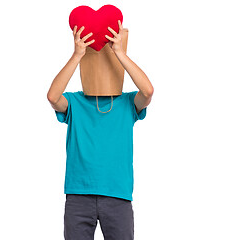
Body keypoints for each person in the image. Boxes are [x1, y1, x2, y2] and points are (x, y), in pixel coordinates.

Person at [47, 20, 154, 240]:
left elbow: (148, 91)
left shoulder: (127, 103)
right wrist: (77, 55)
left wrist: (119, 53)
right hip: (78, 196)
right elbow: (52, 97)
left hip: (118, 196)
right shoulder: (75, 102)